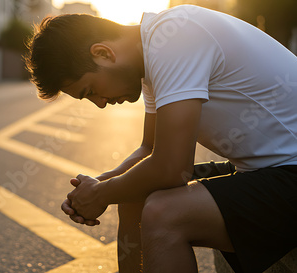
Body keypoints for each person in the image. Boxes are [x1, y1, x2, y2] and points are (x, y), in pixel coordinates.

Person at [23, 4, 297, 273]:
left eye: (91, 90)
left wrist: (100, 195)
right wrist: (105, 182)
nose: (100, 104)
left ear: (103, 53)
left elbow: (171, 169)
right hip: (271, 171)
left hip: (290, 170)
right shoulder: (154, 53)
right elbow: (149, 148)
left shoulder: (176, 38)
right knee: (133, 193)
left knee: (164, 214)